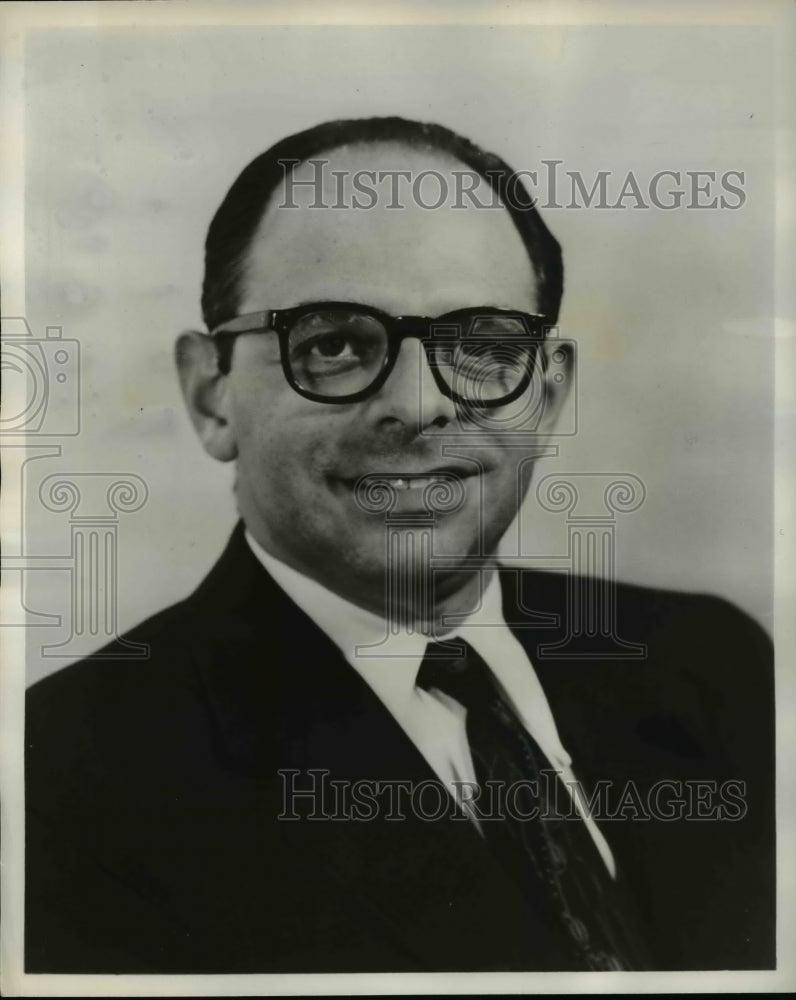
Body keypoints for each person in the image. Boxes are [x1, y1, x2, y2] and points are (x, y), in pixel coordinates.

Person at [25, 117, 774, 974]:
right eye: (335, 342)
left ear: (550, 391)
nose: (419, 405)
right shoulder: (67, 788)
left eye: (484, 345)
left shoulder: (716, 669)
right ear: (211, 394)